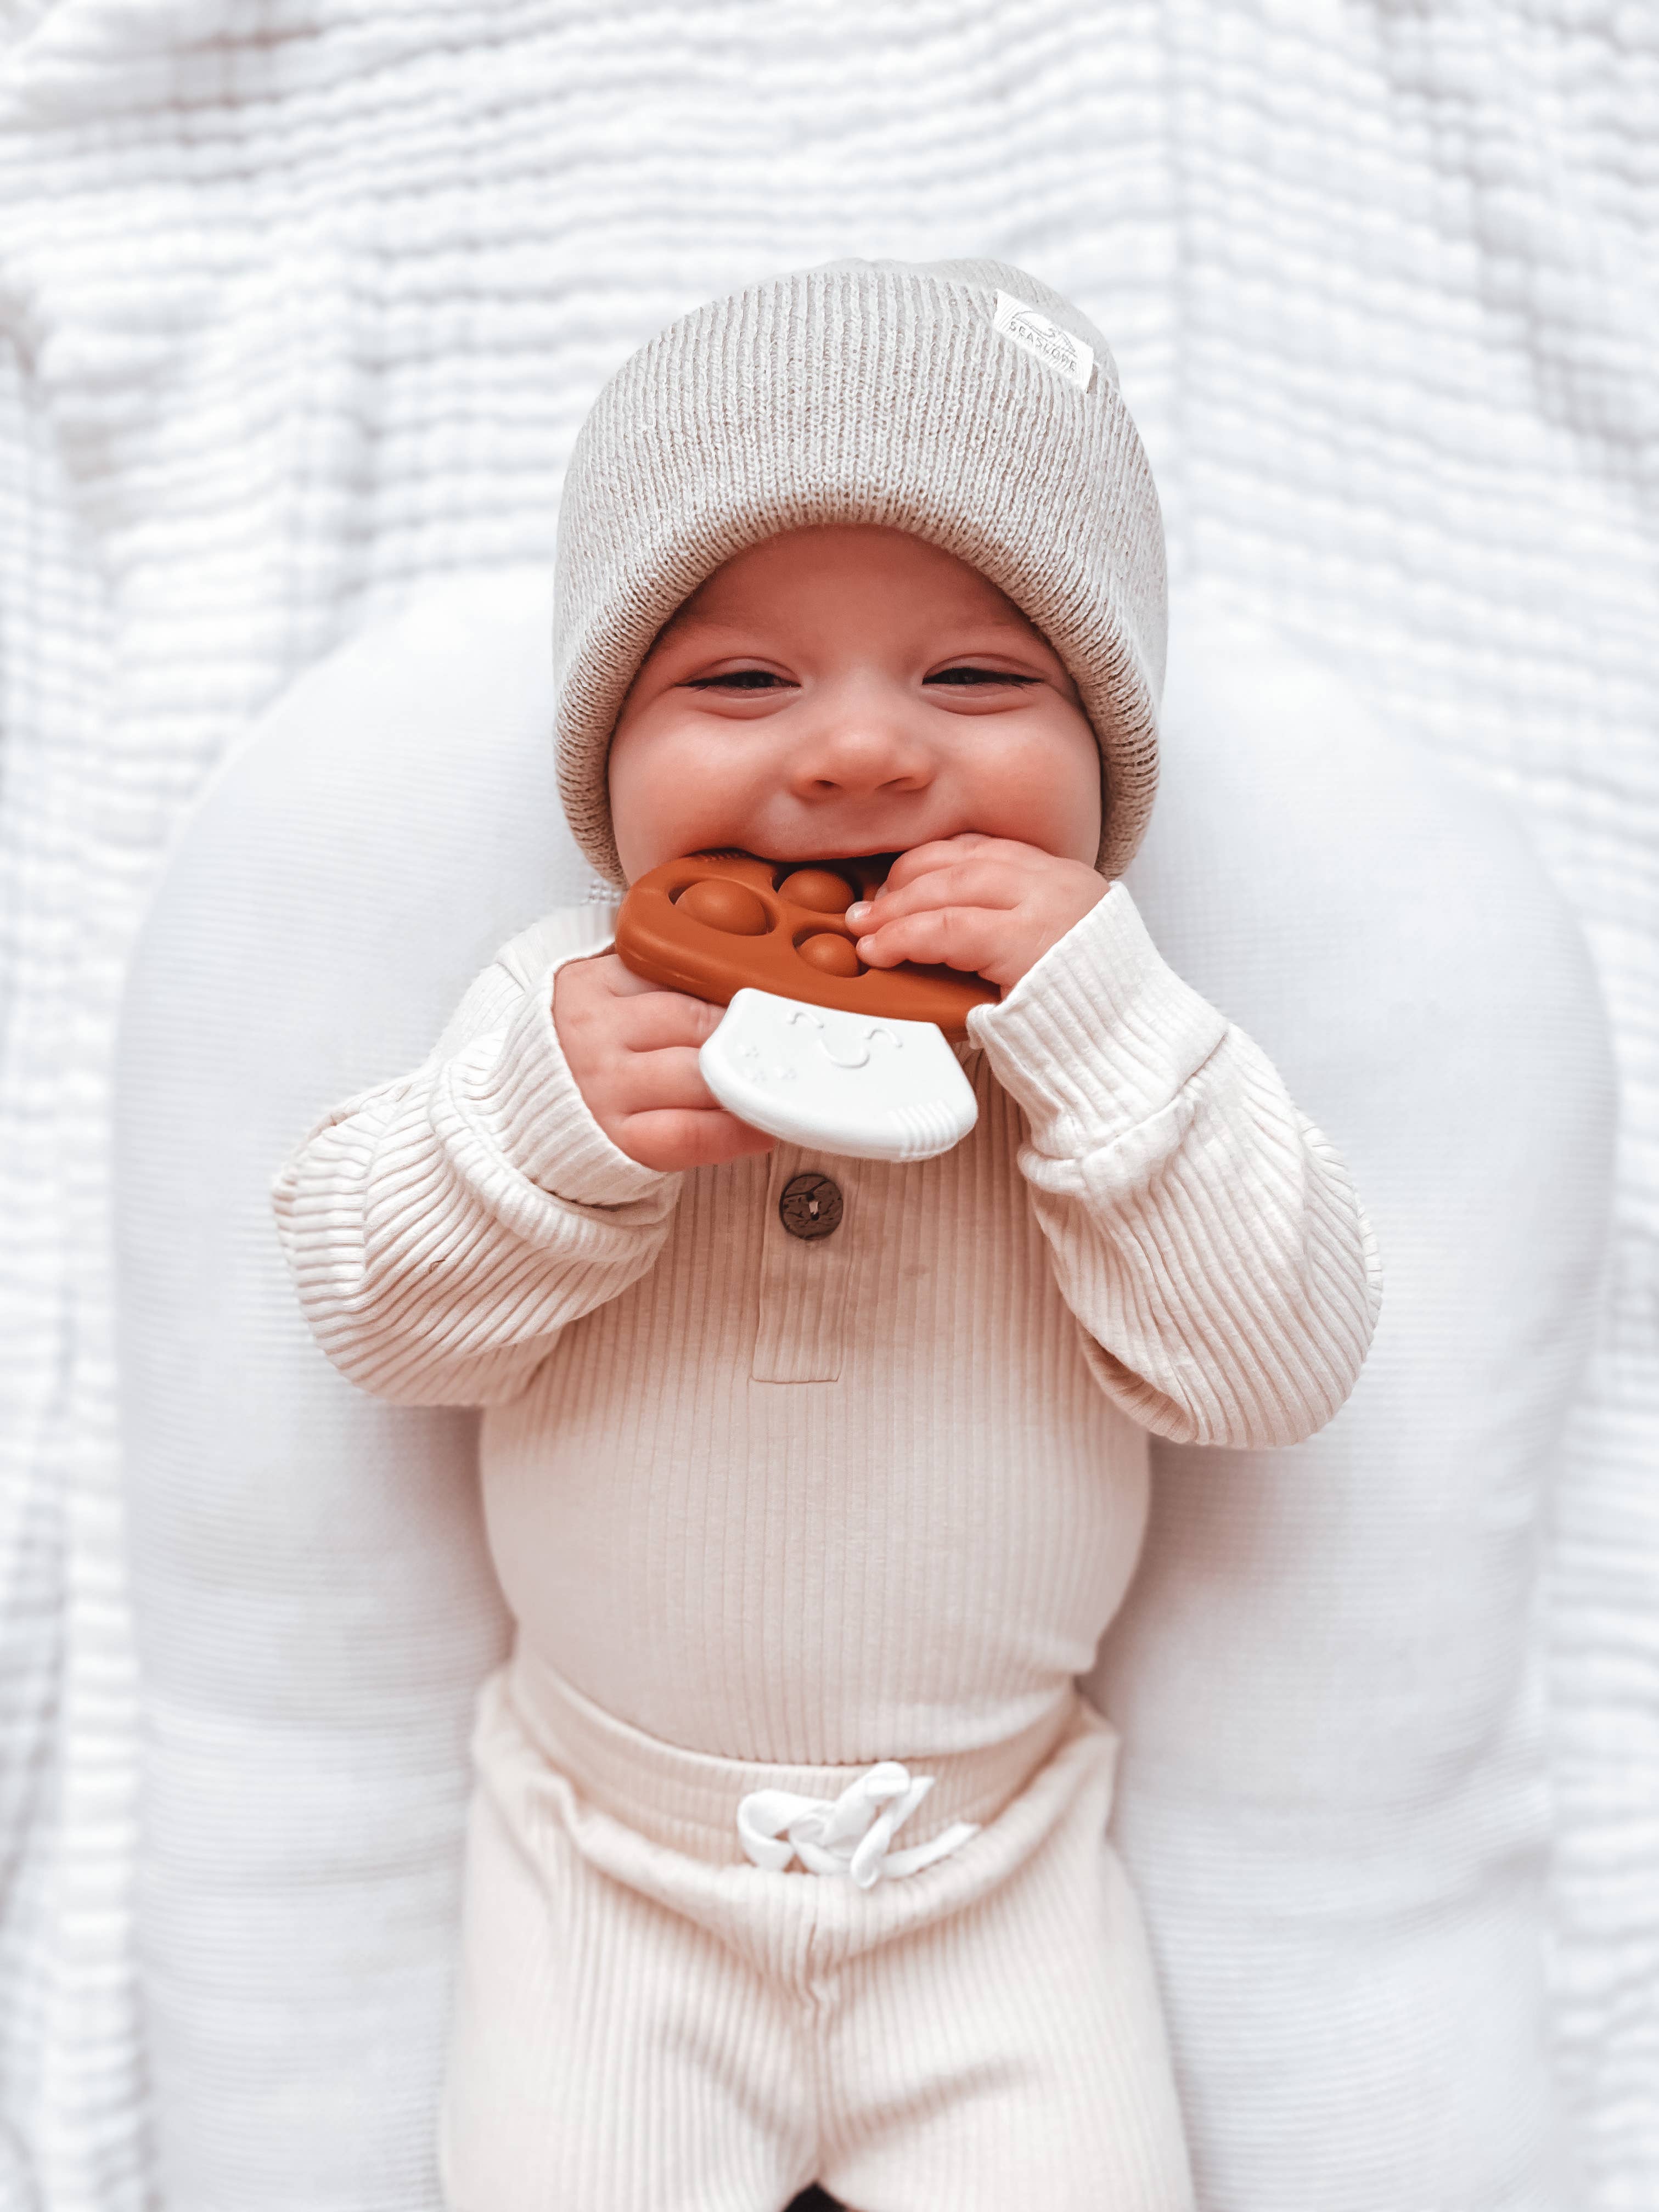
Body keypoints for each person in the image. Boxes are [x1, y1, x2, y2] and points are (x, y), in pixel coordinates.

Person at [273, 257, 1381, 2212]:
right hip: (607, 1883)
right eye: (741, 681)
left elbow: (1276, 1370)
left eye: (974, 679)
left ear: (1107, 762)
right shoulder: (566, 1004)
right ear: (603, 752)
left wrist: (1104, 1031)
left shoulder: (1115, 1050)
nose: (862, 754)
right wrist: (543, 1130)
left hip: (990, 1886)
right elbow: (366, 1304)